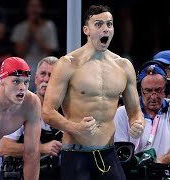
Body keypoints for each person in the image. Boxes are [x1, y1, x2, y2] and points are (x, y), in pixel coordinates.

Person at [41, 5, 145, 180]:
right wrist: (76, 128)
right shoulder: (67, 64)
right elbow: (47, 112)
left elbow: (134, 111)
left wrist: (138, 123)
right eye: (99, 24)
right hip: (75, 154)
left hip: (108, 153)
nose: (105, 29)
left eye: (109, 24)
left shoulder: (124, 66)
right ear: (86, 30)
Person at [0, 56, 62, 180]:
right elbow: (3, 147)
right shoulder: (22, 106)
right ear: (36, 79)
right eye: (43, 74)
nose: (47, 79)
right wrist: (43, 148)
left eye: (52, 75)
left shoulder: (67, 110)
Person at [114, 61, 170, 164]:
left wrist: (161, 161)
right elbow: (120, 156)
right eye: (148, 91)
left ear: (166, 89)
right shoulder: (122, 113)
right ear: (140, 90)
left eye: (158, 90)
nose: (153, 97)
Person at [11, 0, 59, 92]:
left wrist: (37, 36)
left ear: (41, 9)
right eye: (32, 6)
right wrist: (29, 35)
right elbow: (19, 53)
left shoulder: (49, 26)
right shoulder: (20, 27)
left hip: (45, 66)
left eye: (37, 7)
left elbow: (50, 52)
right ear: (27, 9)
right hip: (26, 67)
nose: (34, 10)